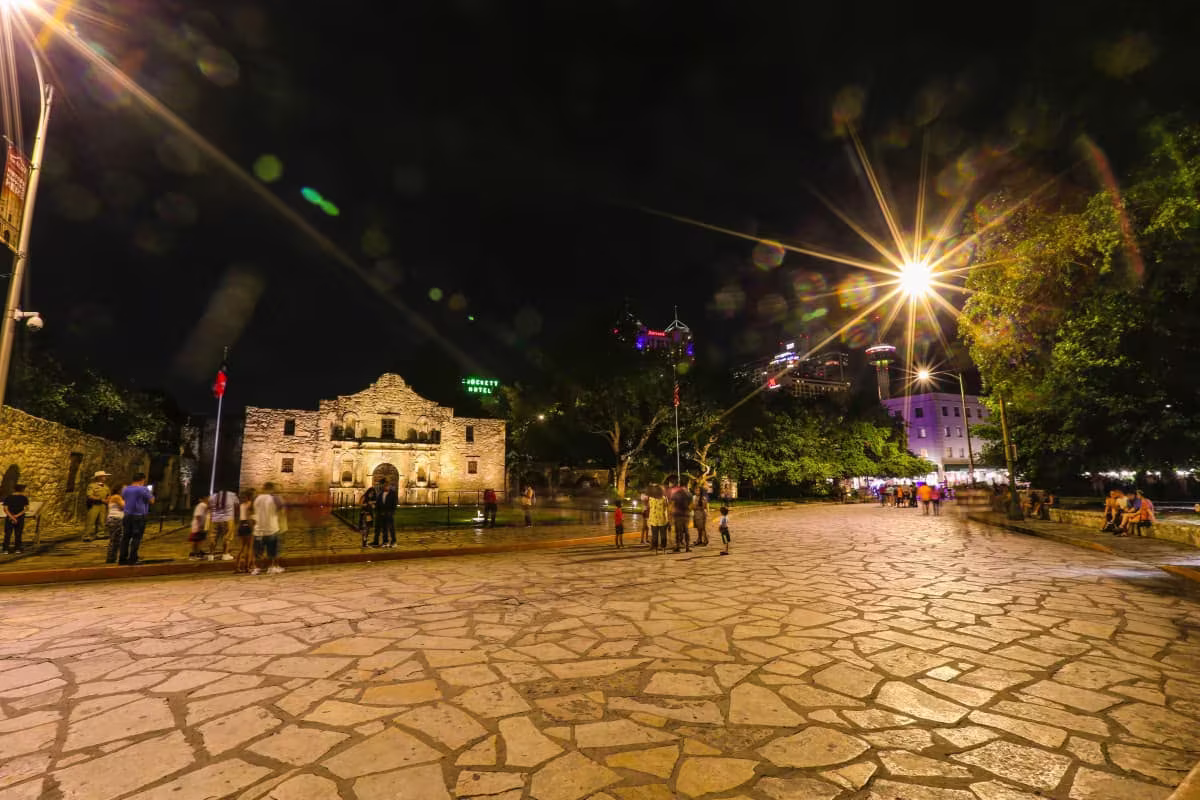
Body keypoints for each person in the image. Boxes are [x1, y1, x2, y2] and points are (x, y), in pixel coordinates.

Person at [118, 474, 154, 566]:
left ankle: (122, 558)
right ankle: (133, 558)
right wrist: (151, 494)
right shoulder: (143, 489)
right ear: (142, 480)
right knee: (136, 537)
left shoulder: (125, 489)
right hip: (139, 515)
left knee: (125, 537)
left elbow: (124, 499)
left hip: (127, 515)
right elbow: (151, 501)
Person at [251, 482, 286, 574]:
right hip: (272, 528)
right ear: (271, 488)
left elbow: (253, 512)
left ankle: (257, 568)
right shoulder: (275, 498)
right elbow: (282, 511)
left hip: (258, 529)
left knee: (258, 551)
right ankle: (272, 567)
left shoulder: (256, 498)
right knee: (272, 550)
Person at [208, 487, 239, 561]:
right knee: (227, 537)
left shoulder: (212, 496)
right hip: (228, 519)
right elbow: (237, 507)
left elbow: (210, 508)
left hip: (215, 519)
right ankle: (225, 554)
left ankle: (211, 555)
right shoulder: (232, 495)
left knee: (213, 537)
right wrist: (236, 518)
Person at [83, 471, 111, 541]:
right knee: (91, 520)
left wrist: (108, 500)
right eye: (103, 476)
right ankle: (87, 535)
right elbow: (90, 496)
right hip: (94, 505)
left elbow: (108, 495)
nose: (105, 477)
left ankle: (100, 534)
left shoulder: (106, 487)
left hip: (103, 506)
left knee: (101, 520)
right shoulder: (92, 486)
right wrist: (101, 500)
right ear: (99, 477)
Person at [2, 484, 29, 555]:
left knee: (8, 534)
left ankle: (5, 549)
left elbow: (5, 509)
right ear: (22, 490)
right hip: (20, 518)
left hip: (9, 518)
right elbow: (26, 509)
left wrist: (12, 517)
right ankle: (17, 549)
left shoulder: (8, 497)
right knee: (18, 533)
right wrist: (17, 516)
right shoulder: (24, 498)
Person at [234, 489, 256, 574]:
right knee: (249, 548)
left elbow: (240, 518)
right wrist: (252, 528)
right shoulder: (250, 504)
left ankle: (237, 567)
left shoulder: (241, 505)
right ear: (250, 496)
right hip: (248, 526)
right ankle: (247, 567)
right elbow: (248, 517)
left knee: (242, 548)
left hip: (241, 526)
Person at [371, 478, 397, 548]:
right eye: (384, 486)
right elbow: (378, 503)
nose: (385, 487)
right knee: (384, 529)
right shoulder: (380, 494)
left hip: (389, 514)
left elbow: (394, 504)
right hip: (381, 514)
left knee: (391, 528)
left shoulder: (392, 494)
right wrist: (376, 510)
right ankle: (384, 542)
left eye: (387, 485)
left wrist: (392, 512)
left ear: (389, 486)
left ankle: (393, 541)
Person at [669, 478, 692, 553]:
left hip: (678, 515)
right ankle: (687, 547)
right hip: (686, 515)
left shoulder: (676, 494)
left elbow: (672, 505)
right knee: (686, 531)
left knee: (678, 532)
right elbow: (691, 506)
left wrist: (670, 515)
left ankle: (678, 547)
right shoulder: (689, 494)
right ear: (686, 485)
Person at [104, 485, 125, 564]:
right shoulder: (116, 497)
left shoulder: (113, 497)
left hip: (113, 519)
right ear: (119, 490)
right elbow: (124, 506)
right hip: (116, 519)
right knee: (115, 540)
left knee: (115, 540)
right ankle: (111, 558)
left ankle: (112, 558)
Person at [647, 484, 669, 554]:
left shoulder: (651, 498)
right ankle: (663, 549)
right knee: (663, 535)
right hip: (662, 519)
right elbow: (666, 507)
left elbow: (649, 507)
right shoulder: (664, 498)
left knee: (655, 536)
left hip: (653, 520)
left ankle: (656, 550)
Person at [188, 494, 209, 560]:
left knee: (198, 540)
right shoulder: (202, 505)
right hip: (198, 525)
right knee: (197, 540)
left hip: (197, 525)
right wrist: (201, 525)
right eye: (208, 498)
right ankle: (195, 554)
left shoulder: (202, 505)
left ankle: (196, 553)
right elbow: (198, 516)